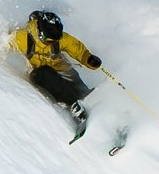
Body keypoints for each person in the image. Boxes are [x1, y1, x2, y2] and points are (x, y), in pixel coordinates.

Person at [12, 9, 104, 137]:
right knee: (45, 73)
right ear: (41, 34)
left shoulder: (59, 37)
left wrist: (89, 59)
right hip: (41, 74)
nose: (53, 42)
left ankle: (105, 117)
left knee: (82, 91)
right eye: (50, 40)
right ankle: (74, 107)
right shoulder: (22, 37)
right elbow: (4, 41)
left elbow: (76, 48)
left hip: (62, 70)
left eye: (56, 39)